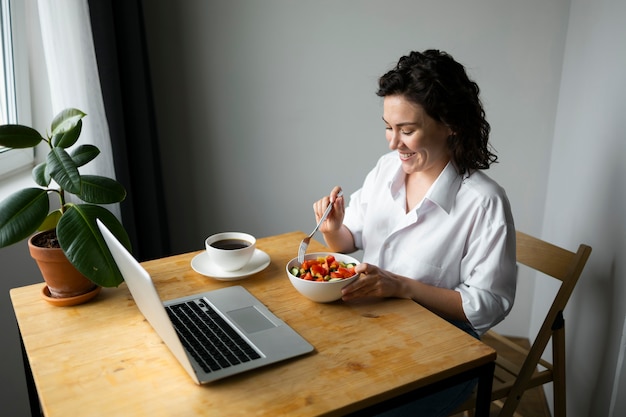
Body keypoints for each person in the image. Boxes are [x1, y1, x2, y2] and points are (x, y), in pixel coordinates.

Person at [312, 49, 517, 416]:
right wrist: (333, 227)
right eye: (388, 128)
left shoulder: (484, 202)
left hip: (446, 349)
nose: (393, 143)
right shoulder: (386, 170)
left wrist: (402, 286)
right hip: (374, 325)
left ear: (450, 123)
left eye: (407, 130)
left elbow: (488, 304)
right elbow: (348, 241)